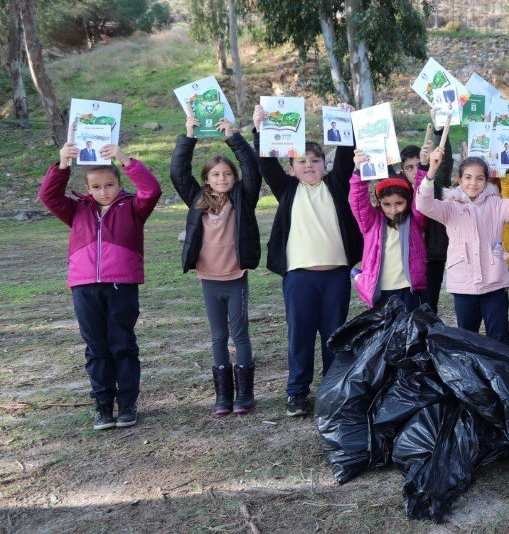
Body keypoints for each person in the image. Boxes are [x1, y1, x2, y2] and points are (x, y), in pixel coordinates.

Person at [39, 138, 161, 430]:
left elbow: (151, 190)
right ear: (87, 188)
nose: (103, 191)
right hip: (84, 287)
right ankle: (103, 405)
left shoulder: (134, 207)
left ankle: (127, 404)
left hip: (121, 284)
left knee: (122, 344)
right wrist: (63, 164)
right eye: (96, 187)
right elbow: (48, 196)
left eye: (109, 185)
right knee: (96, 347)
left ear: (119, 184)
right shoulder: (76, 210)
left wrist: (124, 159)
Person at [255, 104, 362, 418]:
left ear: (325, 166)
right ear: (291, 168)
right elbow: (266, 164)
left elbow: (345, 156)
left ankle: (331, 390)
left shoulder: (335, 185)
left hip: (335, 276)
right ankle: (297, 392)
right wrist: (260, 130)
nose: (310, 165)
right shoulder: (288, 189)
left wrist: (346, 121)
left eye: (316, 160)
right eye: (302, 161)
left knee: (334, 335)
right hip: (299, 277)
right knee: (299, 336)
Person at [170, 116, 262, 416]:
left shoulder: (242, 199)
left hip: (236, 277)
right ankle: (223, 395)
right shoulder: (197, 199)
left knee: (241, 335)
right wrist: (189, 136)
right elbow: (178, 172)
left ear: (234, 178)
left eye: (227, 174)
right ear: (206, 179)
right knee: (218, 336)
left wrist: (232, 137)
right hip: (209, 279)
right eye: (215, 174)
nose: (222, 178)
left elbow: (251, 167)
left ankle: (244, 394)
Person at [416, 145, 509, 345]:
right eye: (468, 177)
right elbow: (423, 204)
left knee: (499, 337)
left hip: (494, 282)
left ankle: (500, 366)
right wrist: (431, 171)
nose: (473, 183)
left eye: (479, 178)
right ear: (459, 179)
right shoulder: (450, 207)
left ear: (486, 181)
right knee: (467, 338)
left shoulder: (496, 204)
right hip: (463, 284)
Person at [349, 154, 426, 312]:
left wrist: (424, 167)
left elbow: (422, 194)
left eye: (399, 203)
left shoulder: (415, 219)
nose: (393, 210)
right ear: (380, 203)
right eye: (387, 204)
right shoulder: (371, 222)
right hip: (379, 291)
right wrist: (358, 171)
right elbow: (358, 201)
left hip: (408, 289)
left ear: (408, 201)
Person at [403, 128, 453, 315]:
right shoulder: (398, 192)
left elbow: (445, 163)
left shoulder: (436, 184)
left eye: (419, 164)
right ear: (402, 170)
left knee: (429, 307)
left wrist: (440, 132)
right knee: (407, 307)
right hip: (406, 258)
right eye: (409, 167)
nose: (415, 170)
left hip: (432, 256)